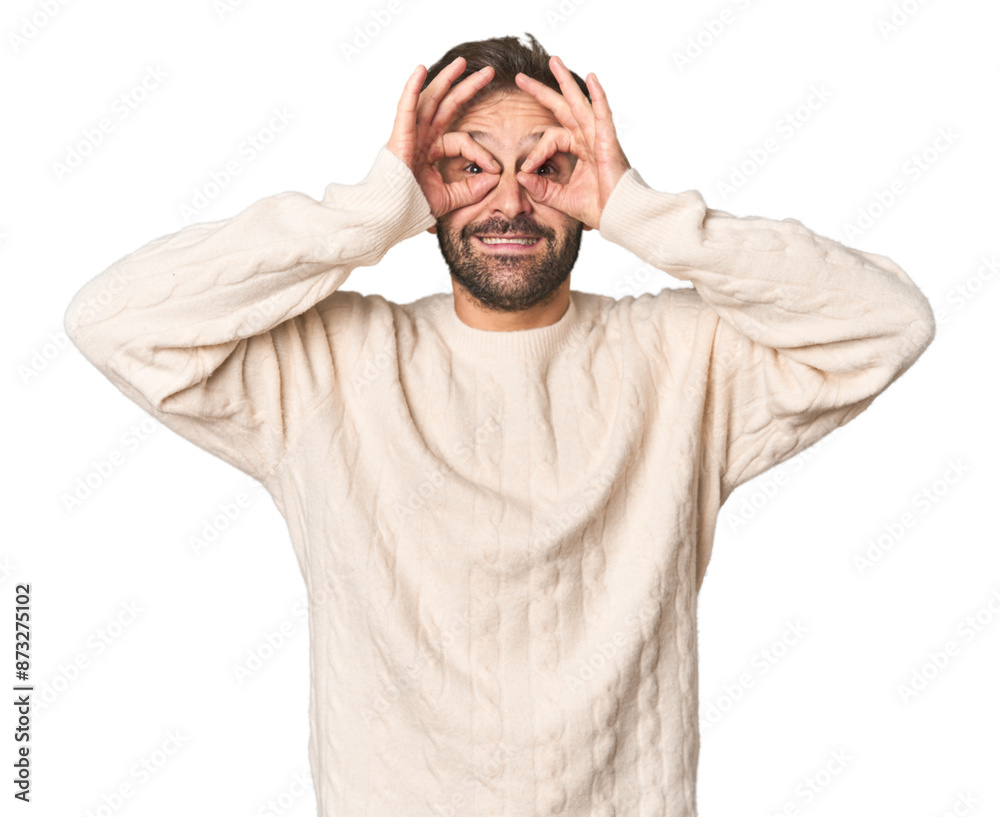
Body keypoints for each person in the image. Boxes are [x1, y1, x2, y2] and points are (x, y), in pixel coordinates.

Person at [64, 31, 935, 817]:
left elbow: (889, 321)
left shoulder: (682, 362)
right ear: (425, 190)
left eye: (548, 167)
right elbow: (114, 319)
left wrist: (640, 209)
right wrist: (368, 213)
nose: (510, 203)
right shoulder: (328, 370)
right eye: (469, 168)